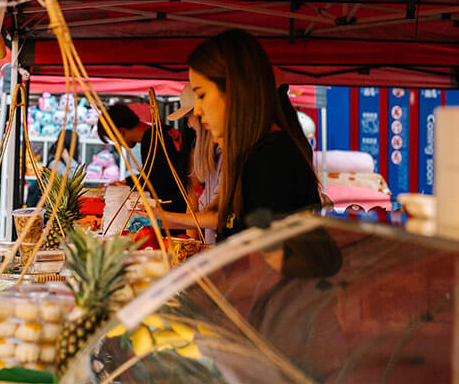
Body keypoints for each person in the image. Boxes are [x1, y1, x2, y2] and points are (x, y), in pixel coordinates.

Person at [187, 29, 320, 239]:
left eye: (202, 95)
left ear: (234, 90)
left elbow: (265, 262)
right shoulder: (256, 154)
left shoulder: (269, 161)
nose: (197, 110)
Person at [98, 102, 189, 210]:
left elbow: (157, 185)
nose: (119, 144)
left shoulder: (151, 140)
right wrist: (129, 182)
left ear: (120, 132)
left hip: (177, 210)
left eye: (114, 138)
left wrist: (129, 185)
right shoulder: (163, 130)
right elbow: (159, 174)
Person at [162, 85, 221, 242]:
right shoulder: (208, 155)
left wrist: (160, 218)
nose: (188, 124)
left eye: (190, 115)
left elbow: (216, 218)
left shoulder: (226, 156)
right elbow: (194, 201)